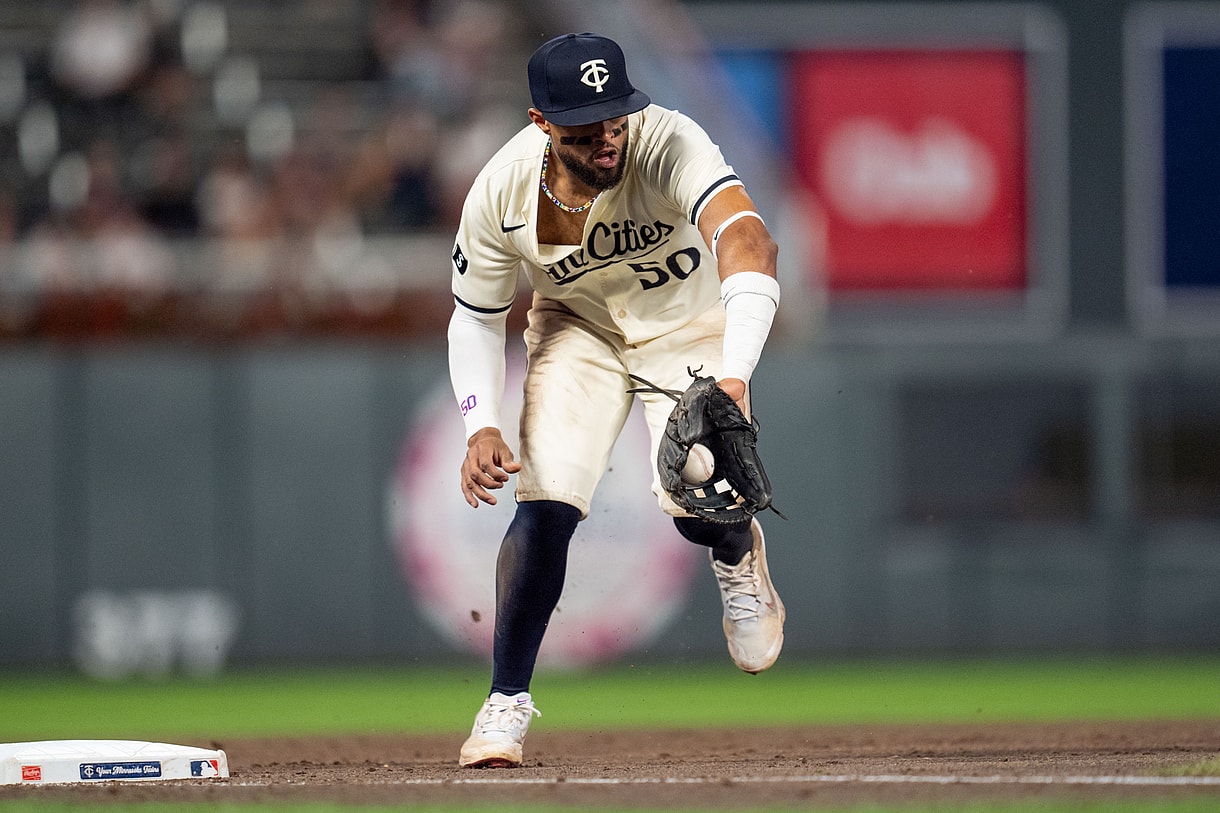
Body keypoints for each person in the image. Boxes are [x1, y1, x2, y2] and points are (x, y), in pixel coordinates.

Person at [446, 32, 785, 769]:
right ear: (541, 121)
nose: (607, 134)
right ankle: (506, 699)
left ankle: (735, 552)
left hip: (685, 326)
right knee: (546, 502)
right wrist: (481, 422)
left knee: (701, 494)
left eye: (616, 114)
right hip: (578, 330)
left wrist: (734, 373)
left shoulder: (668, 140)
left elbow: (751, 242)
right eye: (584, 122)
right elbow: (474, 313)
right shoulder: (502, 189)